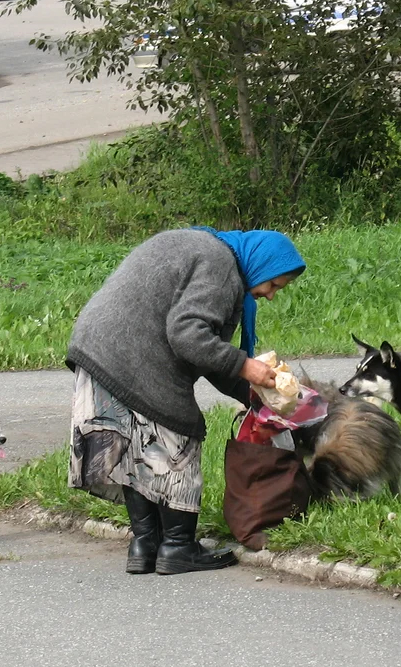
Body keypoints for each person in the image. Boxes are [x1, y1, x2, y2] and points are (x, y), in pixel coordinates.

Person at [66, 228, 306, 576]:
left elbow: (202, 353)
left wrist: (255, 394)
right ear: (262, 264)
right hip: (131, 352)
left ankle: (146, 544)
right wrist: (245, 365)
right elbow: (189, 336)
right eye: (275, 285)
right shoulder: (221, 266)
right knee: (177, 434)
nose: (270, 295)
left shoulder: (207, 251)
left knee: (134, 449)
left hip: (99, 348)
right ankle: (178, 547)